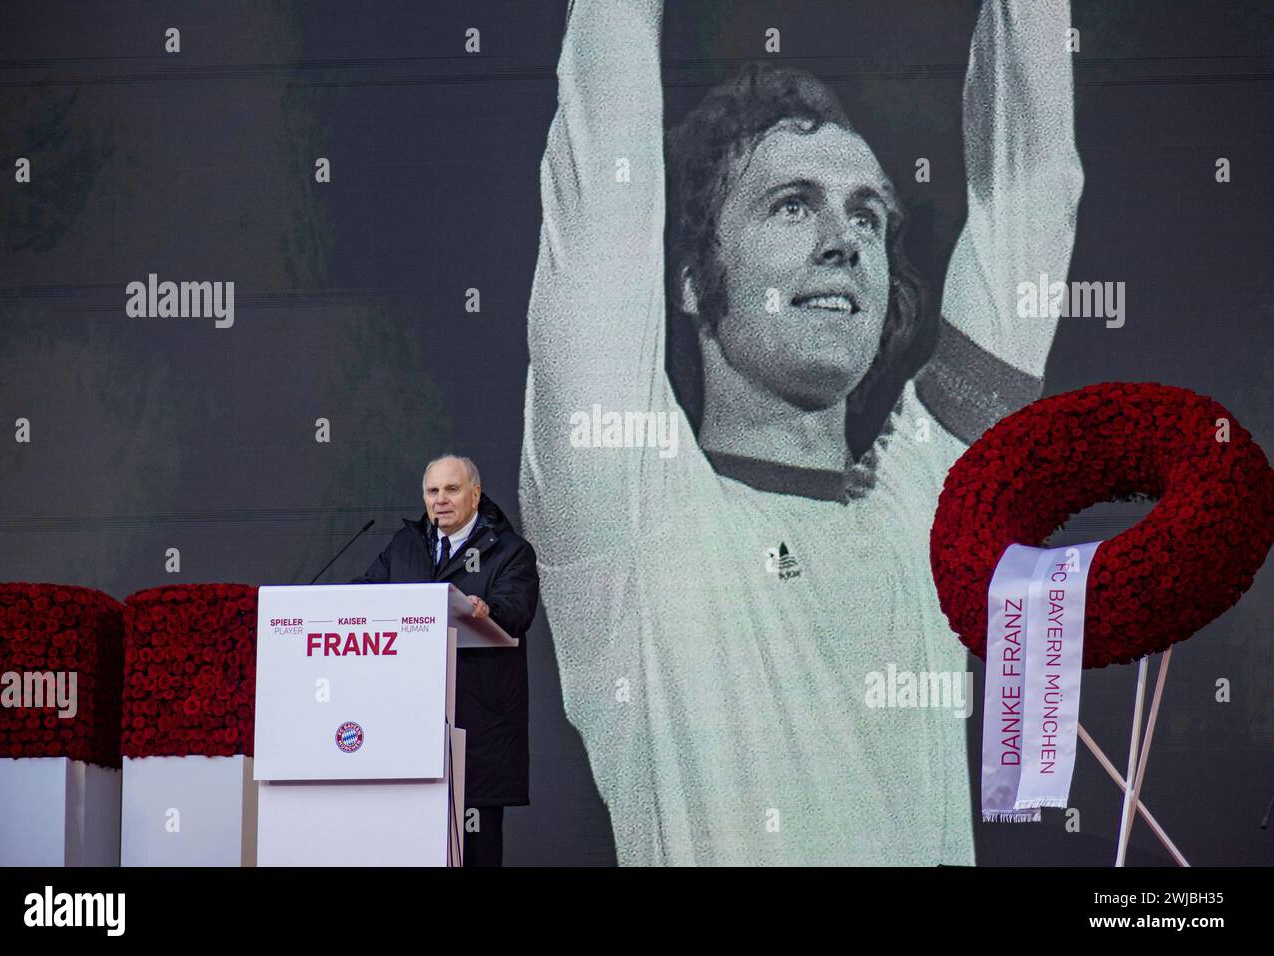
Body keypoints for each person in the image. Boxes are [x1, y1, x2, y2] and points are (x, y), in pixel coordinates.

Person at [519, 0, 1083, 864]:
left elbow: (1036, 192)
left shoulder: (931, 519)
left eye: (867, 215)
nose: (845, 241)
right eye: (791, 207)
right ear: (691, 282)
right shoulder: (631, 514)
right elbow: (605, 158)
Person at [352, 454, 540, 866]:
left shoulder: (510, 552)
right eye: (432, 491)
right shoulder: (406, 545)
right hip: (407, 731)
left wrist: (487, 608)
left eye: (451, 489)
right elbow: (363, 595)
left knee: (474, 854)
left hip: (477, 733)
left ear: (475, 494)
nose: (440, 500)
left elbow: (516, 610)